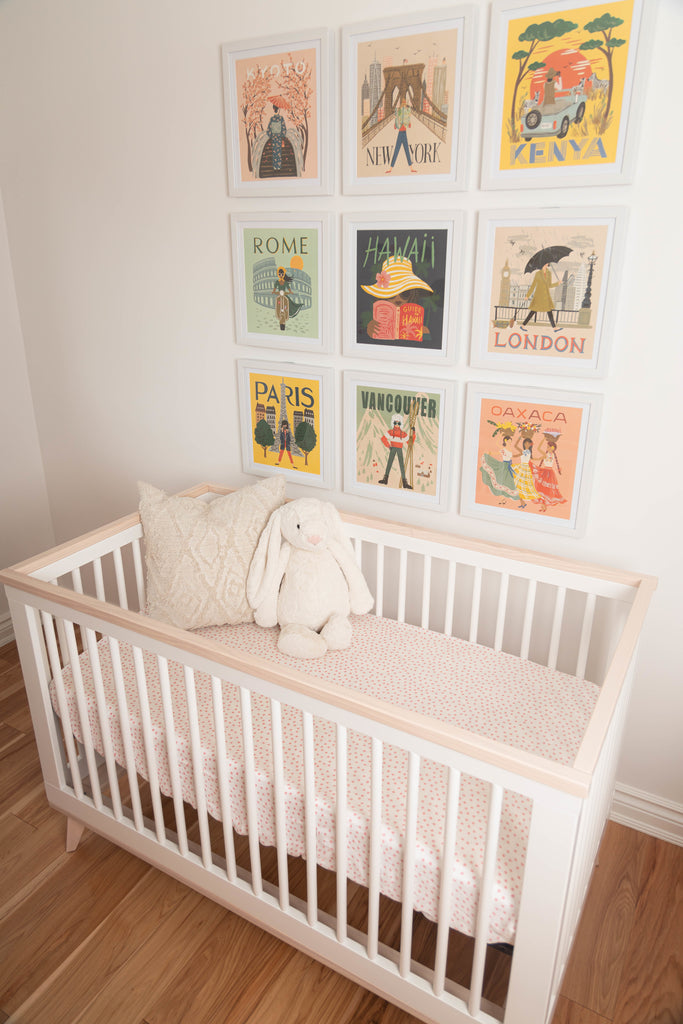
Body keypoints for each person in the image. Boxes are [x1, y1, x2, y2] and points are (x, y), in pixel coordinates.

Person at [378, 413, 414, 489]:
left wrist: (413, 433)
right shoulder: (390, 432)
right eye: (395, 423)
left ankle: (404, 482)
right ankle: (385, 479)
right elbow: (383, 439)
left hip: (399, 449)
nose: (397, 425)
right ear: (393, 423)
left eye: (399, 423)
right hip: (393, 448)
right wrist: (388, 446)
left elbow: (410, 443)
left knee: (401, 465)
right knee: (389, 463)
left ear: (401, 424)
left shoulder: (403, 434)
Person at [522, 264, 560, 329]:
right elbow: (533, 285)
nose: (545, 265)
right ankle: (523, 325)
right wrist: (527, 295)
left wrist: (557, 283)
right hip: (538, 295)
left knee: (549, 311)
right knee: (533, 311)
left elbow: (549, 285)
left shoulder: (549, 273)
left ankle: (554, 327)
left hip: (546, 296)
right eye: (544, 263)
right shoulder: (538, 274)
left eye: (546, 263)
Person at [385, 101, 417, 175]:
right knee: (401, 150)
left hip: (402, 133)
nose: (403, 107)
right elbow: (405, 125)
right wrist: (397, 119)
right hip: (401, 133)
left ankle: (409, 168)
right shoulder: (400, 113)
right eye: (403, 106)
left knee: (402, 150)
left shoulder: (402, 113)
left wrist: (408, 117)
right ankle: (392, 168)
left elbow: (407, 125)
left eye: (404, 106)